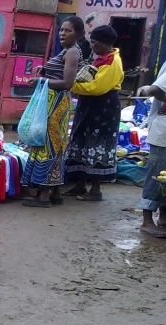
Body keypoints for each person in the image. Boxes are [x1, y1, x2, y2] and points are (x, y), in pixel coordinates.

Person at [21, 17, 84, 208]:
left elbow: (67, 83)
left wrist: (41, 81)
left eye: (68, 31)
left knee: (48, 145)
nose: (63, 34)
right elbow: (59, 75)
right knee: (54, 144)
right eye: (62, 30)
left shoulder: (72, 52)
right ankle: (55, 193)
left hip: (56, 104)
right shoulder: (67, 51)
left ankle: (43, 197)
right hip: (53, 103)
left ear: (79, 34)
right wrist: (45, 70)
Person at [64, 25, 123, 202]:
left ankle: (95, 190)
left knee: (98, 147)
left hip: (103, 108)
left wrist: (70, 85)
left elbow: (97, 88)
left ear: (104, 43)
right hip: (89, 106)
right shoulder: (101, 58)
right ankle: (80, 184)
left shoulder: (112, 62)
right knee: (81, 142)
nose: (92, 46)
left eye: (94, 42)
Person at [135, 62, 166, 236]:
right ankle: (147, 221)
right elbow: (154, 89)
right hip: (163, 133)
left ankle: (163, 216)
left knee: (164, 177)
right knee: (156, 176)